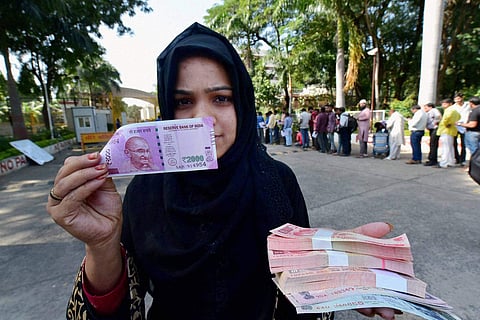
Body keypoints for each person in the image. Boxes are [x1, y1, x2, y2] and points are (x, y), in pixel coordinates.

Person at [46, 23, 397, 320]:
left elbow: (302, 283)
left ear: (242, 103)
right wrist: (102, 245)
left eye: (221, 98)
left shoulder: (278, 182)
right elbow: (118, 305)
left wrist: (337, 277)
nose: (204, 118)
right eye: (184, 102)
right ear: (168, 109)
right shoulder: (144, 193)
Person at [435, 98, 461, 168]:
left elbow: (446, 119)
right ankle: (451, 161)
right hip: (451, 130)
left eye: (445, 103)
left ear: (450, 104)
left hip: (445, 129)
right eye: (443, 104)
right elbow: (459, 117)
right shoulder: (455, 111)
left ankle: (444, 163)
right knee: (450, 147)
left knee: (445, 147)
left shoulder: (449, 110)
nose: (443, 105)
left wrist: (447, 123)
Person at [452, 93, 471, 166]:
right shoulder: (453, 107)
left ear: (462, 98)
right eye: (456, 99)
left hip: (464, 125)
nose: (457, 101)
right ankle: (457, 158)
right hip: (455, 126)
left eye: (458, 99)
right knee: (454, 143)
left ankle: (462, 159)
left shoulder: (467, 105)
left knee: (464, 144)